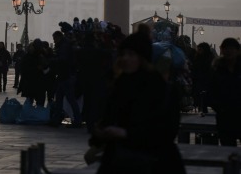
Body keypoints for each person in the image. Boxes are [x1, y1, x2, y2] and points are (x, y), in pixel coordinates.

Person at [89, 32, 185, 174]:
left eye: (131, 54)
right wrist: (100, 134)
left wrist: (126, 133)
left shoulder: (161, 89)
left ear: (142, 58)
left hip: (154, 164)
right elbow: (109, 119)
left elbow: (165, 132)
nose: (125, 58)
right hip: (119, 162)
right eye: (123, 54)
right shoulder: (119, 86)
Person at [207, 37, 241, 146]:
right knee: (227, 150)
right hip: (224, 117)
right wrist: (219, 108)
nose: (229, 51)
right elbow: (211, 91)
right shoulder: (216, 69)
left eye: (232, 48)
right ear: (222, 50)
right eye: (226, 48)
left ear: (237, 50)